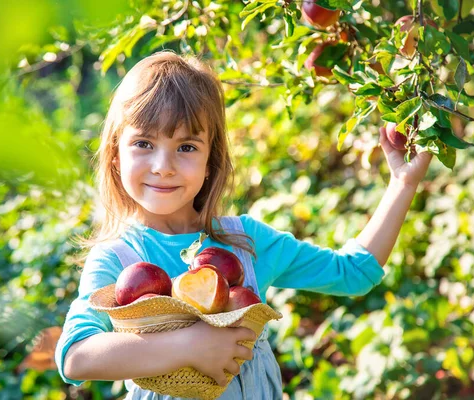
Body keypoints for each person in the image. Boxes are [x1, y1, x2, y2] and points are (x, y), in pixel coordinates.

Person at [55, 50, 433, 399]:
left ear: (210, 160)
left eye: (187, 147)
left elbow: (354, 272)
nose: (163, 165)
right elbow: (76, 357)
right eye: (143, 144)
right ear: (116, 156)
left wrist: (403, 183)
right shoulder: (119, 259)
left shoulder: (244, 243)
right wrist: (191, 344)